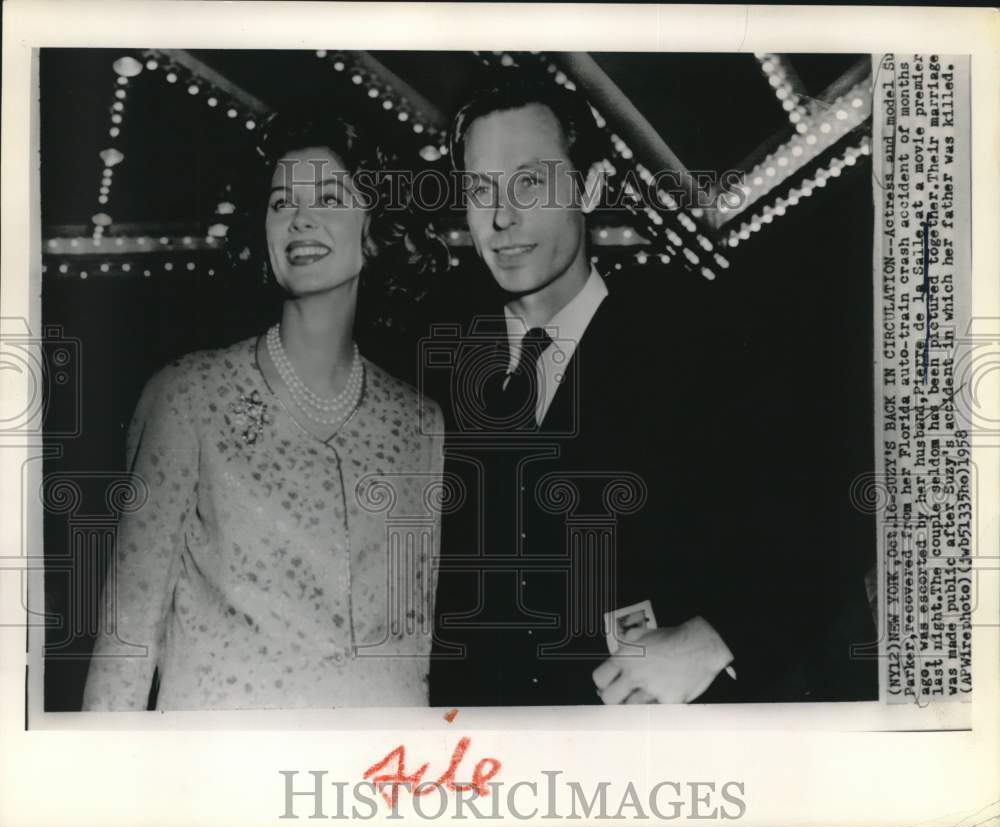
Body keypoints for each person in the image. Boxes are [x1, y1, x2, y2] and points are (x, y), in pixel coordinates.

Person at [428, 78, 876, 707]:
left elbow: (831, 513)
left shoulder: (704, 342)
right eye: (481, 190)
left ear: (590, 186)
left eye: (530, 182)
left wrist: (719, 637)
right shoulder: (434, 369)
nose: (501, 217)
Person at [83, 113, 444, 710]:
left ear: (375, 225)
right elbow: (126, 638)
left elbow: (411, 648)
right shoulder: (191, 394)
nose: (300, 218)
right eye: (282, 203)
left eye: (329, 197)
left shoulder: (418, 424)